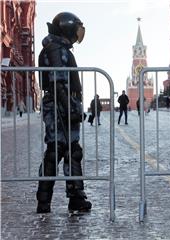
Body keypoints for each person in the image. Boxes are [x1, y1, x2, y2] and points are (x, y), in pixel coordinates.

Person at [36, 12, 91, 213]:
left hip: (59, 105)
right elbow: (58, 82)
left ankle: (53, 201)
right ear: (68, 28)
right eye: (76, 29)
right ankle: (65, 200)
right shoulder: (56, 49)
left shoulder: (56, 47)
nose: (78, 34)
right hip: (60, 107)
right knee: (62, 152)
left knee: (62, 151)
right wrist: (70, 109)